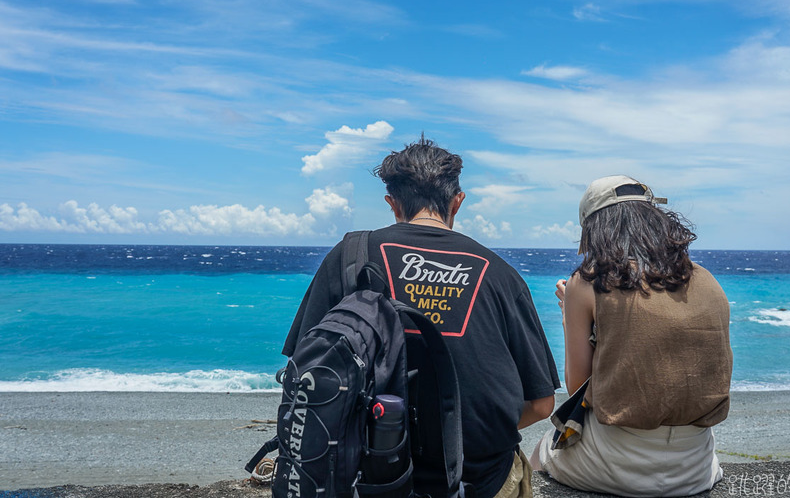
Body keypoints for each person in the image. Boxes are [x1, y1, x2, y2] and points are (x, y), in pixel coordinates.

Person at [283, 136, 560, 498]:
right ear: (457, 202)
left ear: (392, 203)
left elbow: (304, 373)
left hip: (366, 480)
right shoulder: (500, 274)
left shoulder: (350, 256)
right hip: (479, 482)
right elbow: (541, 404)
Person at [531, 175, 733, 497]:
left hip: (617, 463)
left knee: (541, 451)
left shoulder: (588, 282)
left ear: (595, 229)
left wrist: (570, 315)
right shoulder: (705, 279)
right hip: (695, 465)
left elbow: (577, 387)